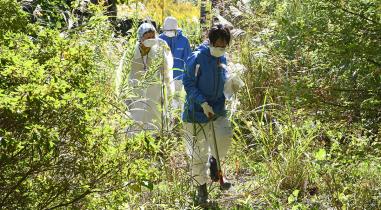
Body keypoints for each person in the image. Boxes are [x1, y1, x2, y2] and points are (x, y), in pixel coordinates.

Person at [182, 24, 234, 206]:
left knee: (224, 137)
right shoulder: (197, 58)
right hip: (196, 112)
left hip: (217, 109)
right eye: (217, 45)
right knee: (198, 152)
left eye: (224, 46)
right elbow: (188, 83)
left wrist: (231, 86)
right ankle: (201, 189)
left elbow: (224, 81)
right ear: (210, 41)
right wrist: (202, 102)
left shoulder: (223, 59)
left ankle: (215, 162)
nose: (220, 49)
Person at [128, 22, 174, 133]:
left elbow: (166, 74)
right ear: (140, 37)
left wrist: (167, 92)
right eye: (147, 37)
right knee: (137, 122)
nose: (151, 39)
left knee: (154, 122)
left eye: (153, 37)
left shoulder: (159, 52)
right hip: (137, 94)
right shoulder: (131, 52)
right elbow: (125, 74)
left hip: (154, 94)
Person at [159, 16, 192, 113]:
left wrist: (189, 77)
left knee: (177, 101)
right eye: (167, 30)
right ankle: (166, 123)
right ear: (164, 29)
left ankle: (177, 122)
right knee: (165, 101)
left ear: (176, 29)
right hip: (163, 77)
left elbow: (188, 59)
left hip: (178, 77)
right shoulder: (160, 39)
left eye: (171, 30)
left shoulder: (184, 41)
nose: (169, 32)